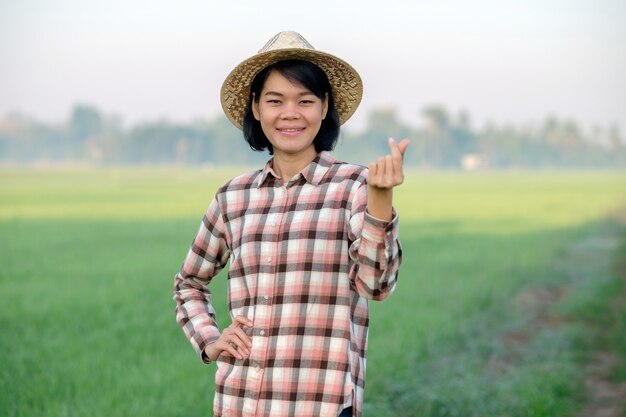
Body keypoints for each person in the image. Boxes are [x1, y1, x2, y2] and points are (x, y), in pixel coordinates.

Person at [173, 31, 409, 417]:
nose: (290, 113)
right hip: (240, 403)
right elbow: (189, 283)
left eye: (305, 100)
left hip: (321, 404)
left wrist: (381, 198)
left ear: (324, 107)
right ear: (255, 107)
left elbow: (376, 285)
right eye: (275, 100)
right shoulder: (233, 197)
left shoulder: (353, 187)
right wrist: (210, 339)